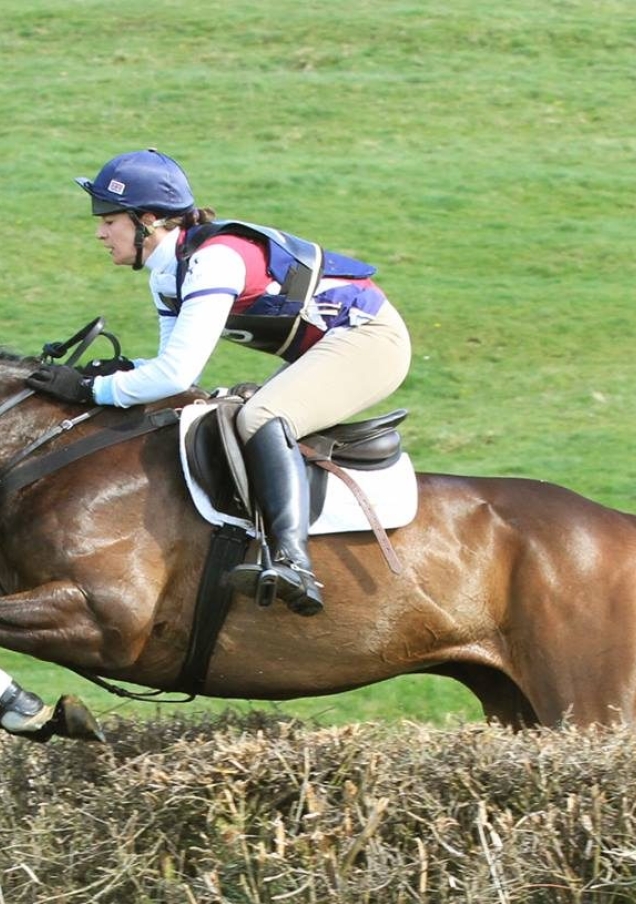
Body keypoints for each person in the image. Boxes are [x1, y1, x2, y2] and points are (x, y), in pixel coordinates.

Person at [27, 148, 412, 617]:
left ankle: (294, 562)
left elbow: (175, 374)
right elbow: (174, 370)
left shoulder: (213, 261)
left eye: (109, 220)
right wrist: (106, 372)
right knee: (234, 416)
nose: (100, 233)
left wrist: (89, 391)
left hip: (371, 340)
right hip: (326, 346)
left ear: (148, 220)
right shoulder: (168, 273)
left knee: (262, 416)